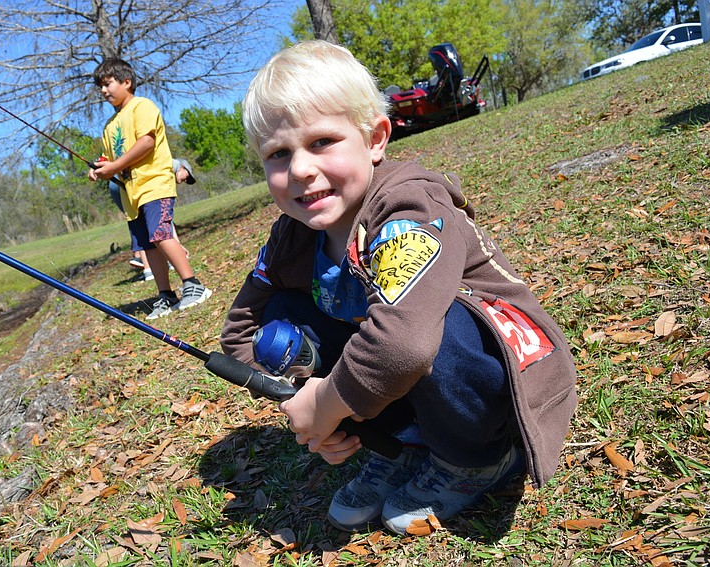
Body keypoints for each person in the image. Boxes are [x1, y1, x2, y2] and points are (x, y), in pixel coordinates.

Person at [219, 41, 577, 535]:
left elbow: (404, 346)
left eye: (322, 141)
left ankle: (479, 458)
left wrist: (325, 406)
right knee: (280, 315)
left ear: (375, 139)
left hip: (497, 372)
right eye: (278, 154)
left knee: (433, 327)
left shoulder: (406, 207)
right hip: (402, 376)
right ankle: (408, 442)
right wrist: (300, 392)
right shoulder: (291, 237)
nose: (300, 169)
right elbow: (241, 330)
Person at [89, 58, 211, 319]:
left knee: (161, 233)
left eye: (107, 84)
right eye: (100, 86)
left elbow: (146, 142)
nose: (103, 90)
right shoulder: (110, 126)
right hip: (131, 195)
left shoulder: (142, 107)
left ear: (126, 82)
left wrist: (114, 166)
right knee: (148, 244)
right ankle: (166, 295)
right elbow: (110, 159)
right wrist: (100, 168)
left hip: (154, 184)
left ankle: (193, 285)